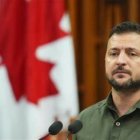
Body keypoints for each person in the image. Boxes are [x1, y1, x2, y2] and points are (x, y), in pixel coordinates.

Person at [73, 21, 140, 140]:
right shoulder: (85, 120)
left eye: (132, 54)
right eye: (113, 53)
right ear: (105, 60)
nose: (120, 61)